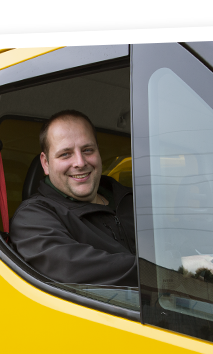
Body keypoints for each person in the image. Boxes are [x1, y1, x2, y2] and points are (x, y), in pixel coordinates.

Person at [9, 110, 138, 287]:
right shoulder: (32, 218)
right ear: (45, 163)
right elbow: (74, 269)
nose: (80, 162)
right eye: (65, 154)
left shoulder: (133, 199)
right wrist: (168, 272)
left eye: (87, 150)